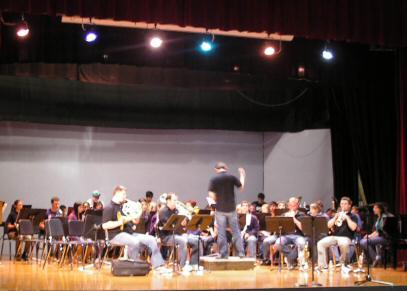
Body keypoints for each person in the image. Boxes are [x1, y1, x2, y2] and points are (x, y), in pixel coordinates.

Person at [102, 185, 169, 274]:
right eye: (124, 194)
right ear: (117, 193)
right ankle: (135, 266)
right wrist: (122, 221)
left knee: (151, 239)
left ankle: (158, 267)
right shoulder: (109, 207)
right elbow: (105, 226)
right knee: (134, 242)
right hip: (115, 235)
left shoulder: (121, 207)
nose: (125, 196)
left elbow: (135, 220)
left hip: (128, 233)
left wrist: (139, 210)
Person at [208, 162, 246, 259]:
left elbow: (211, 194)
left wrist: (218, 200)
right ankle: (241, 253)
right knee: (236, 231)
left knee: (221, 232)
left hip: (220, 209)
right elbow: (241, 187)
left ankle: (223, 254)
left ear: (216, 169)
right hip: (231, 209)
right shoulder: (231, 177)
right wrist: (242, 175)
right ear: (226, 168)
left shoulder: (214, 179)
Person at [157, 193, 201, 271]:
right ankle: (182, 266)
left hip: (178, 235)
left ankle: (194, 264)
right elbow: (168, 227)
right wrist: (179, 225)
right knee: (183, 240)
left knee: (196, 241)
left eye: (176, 200)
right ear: (168, 201)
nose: (176, 202)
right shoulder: (163, 211)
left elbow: (181, 225)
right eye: (174, 200)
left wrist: (184, 222)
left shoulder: (177, 210)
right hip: (167, 236)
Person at [317, 196, 358, 273]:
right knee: (320, 243)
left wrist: (347, 218)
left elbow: (353, 228)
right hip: (334, 236)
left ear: (349, 205)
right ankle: (323, 266)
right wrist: (335, 217)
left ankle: (343, 264)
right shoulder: (337, 215)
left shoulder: (353, 216)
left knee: (344, 243)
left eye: (345, 204)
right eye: (342, 204)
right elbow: (329, 226)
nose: (343, 205)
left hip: (346, 237)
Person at [273, 197, 307, 270]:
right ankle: (291, 258)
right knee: (278, 243)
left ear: (297, 205)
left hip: (298, 236)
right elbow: (278, 228)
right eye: (290, 205)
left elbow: (303, 228)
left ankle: (289, 259)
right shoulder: (284, 215)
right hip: (286, 236)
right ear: (288, 206)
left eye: (294, 205)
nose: (292, 207)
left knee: (301, 243)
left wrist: (294, 219)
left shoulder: (302, 214)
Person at [359, 202, 388, 267]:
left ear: (380, 209)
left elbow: (380, 232)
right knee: (363, 241)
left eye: (375, 208)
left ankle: (375, 258)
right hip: (379, 237)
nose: (373, 209)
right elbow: (376, 231)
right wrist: (369, 236)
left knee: (364, 242)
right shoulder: (378, 218)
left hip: (384, 237)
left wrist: (369, 236)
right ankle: (372, 259)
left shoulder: (384, 217)